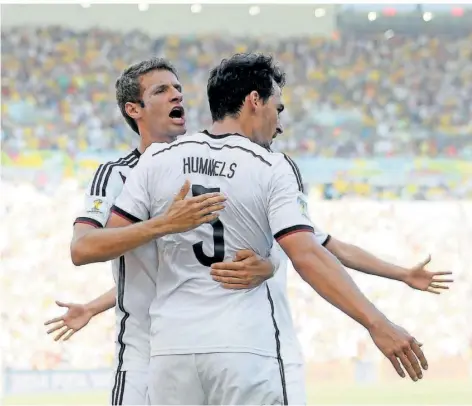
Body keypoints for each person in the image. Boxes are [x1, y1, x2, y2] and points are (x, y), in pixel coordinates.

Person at [106, 53, 430, 405]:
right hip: (242, 348)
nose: (279, 122)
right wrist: (377, 323)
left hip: (171, 351)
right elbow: (307, 255)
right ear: (254, 101)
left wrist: (165, 227)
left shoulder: (158, 158)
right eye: (278, 107)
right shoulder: (270, 166)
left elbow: (107, 242)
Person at [46, 57, 276, 406]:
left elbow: (170, 266)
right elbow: (83, 248)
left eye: (179, 89)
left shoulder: (205, 168)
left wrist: (266, 266)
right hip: (144, 355)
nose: (177, 96)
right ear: (133, 109)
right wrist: (164, 224)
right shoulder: (116, 175)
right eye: (162, 90)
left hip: (203, 348)